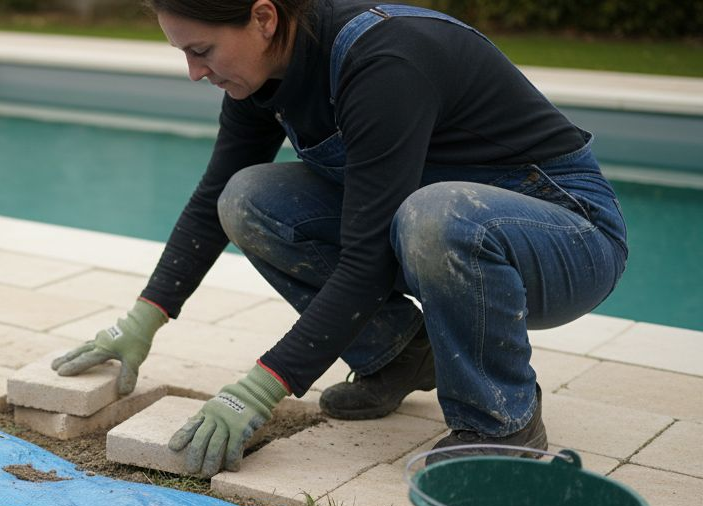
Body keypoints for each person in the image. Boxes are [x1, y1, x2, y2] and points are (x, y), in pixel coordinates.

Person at [52, 0, 628, 476]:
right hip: (435, 232)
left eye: (201, 51)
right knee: (246, 198)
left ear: (263, 18)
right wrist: (145, 318)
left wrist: (259, 389)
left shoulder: (385, 62)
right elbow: (212, 203)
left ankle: (502, 421)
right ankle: (401, 354)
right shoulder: (263, 78)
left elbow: (367, 258)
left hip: (567, 238)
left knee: (436, 213)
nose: (194, 72)